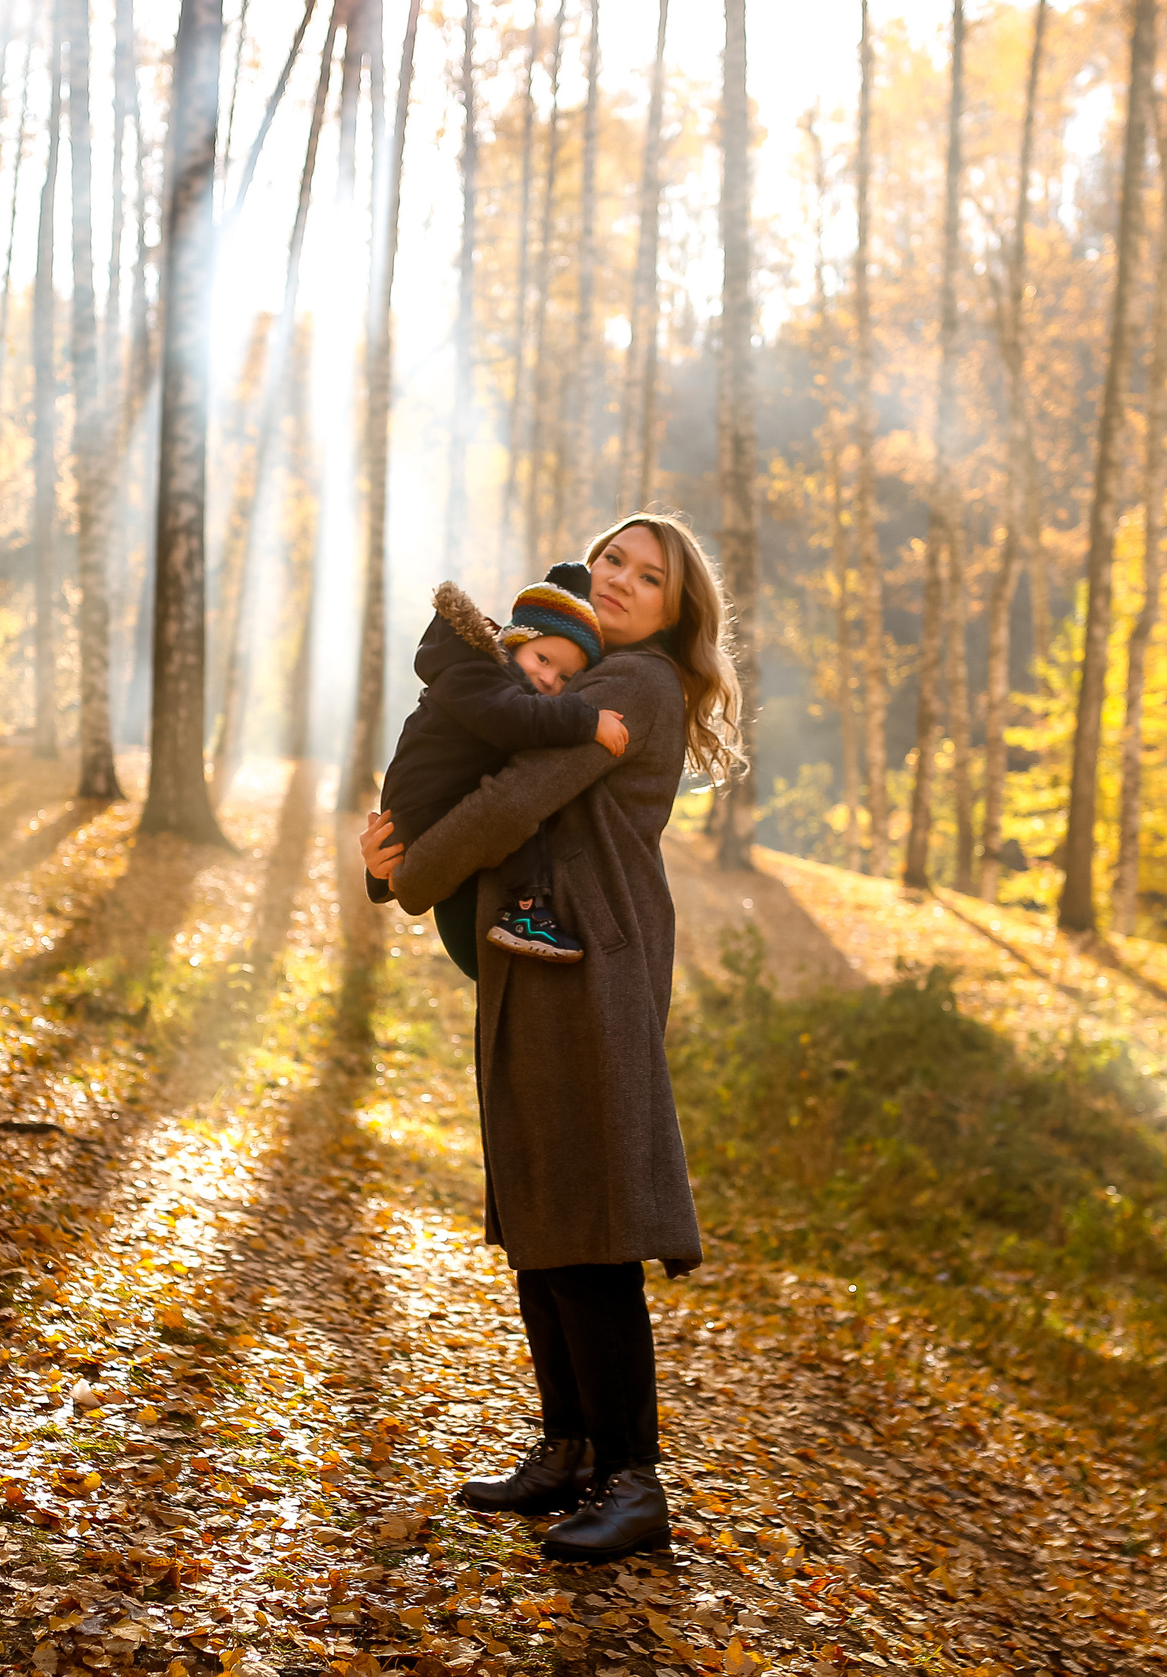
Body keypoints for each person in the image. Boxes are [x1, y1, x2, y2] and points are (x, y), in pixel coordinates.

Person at [360, 513, 742, 1564]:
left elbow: (513, 799)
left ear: (676, 609)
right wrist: (394, 853)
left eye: (648, 575)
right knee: (539, 1200)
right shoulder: (574, 676)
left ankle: (632, 1478)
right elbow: (466, 762)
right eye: (611, 559)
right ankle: (569, 1448)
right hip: (535, 956)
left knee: (591, 1212)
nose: (619, 579)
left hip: (595, 964)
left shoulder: (637, 686)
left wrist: (410, 873)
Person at [375, 563, 631, 975]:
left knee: (522, 789)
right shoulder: (476, 674)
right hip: (422, 809)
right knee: (517, 797)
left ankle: (528, 913)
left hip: (432, 814)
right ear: (514, 643)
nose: (548, 679)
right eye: (543, 658)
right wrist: (587, 721)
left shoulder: (491, 678)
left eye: (566, 676)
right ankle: (526, 912)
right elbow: (515, 719)